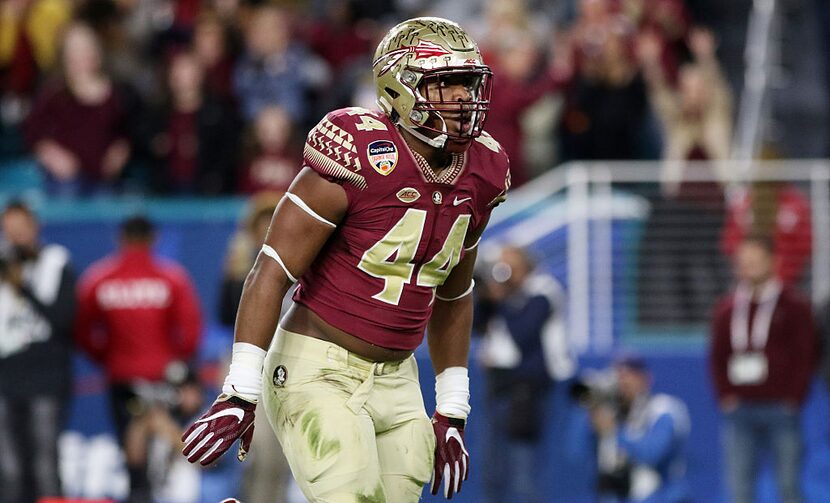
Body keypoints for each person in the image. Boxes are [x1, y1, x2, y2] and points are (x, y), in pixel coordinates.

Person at [182, 17, 511, 503]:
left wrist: (453, 410)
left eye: (467, 84)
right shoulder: (358, 150)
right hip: (317, 367)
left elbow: (455, 293)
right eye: (445, 86)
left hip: (399, 378)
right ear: (401, 89)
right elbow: (269, 272)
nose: (463, 100)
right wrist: (239, 391)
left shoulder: (482, 171)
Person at [75, 216, 203, 503]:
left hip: (122, 378)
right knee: (161, 447)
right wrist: (178, 367)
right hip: (164, 377)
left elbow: (82, 330)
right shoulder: (171, 278)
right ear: (153, 239)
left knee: (134, 445)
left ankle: (140, 492)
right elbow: (191, 333)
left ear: (120, 239)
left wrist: (107, 358)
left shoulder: (99, 279)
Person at [709, 236, 817, 503]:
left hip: (781, 408)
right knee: (739, 489)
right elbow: (717, 356)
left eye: (755, 262)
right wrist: (725, 395)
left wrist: (794, 397)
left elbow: (805, 355)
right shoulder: (727, 308)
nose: (748, 268)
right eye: (743, 263)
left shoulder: (794, 306)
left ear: (773, 262)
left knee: (788, 485)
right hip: (741, 409)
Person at [475, 245, 574, 503]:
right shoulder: (508, 294)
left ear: (526, 264)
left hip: (529, 389)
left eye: (511, 265)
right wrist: (484, 296)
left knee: (523, 472)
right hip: (498, 385)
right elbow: (476, 325)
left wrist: (502, 299)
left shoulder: (544, 290)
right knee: (493, 469)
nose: (506, 273)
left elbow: (524, 334)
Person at [0, 200, 76, 503]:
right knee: (8, 466)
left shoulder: (56, 262)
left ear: (35, 227)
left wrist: (26, 288)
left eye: (22, 229)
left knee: (44, 461)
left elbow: (63, 319)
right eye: (10, 231)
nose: (16, 237)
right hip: (5, 375)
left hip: (45, 375)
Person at [586, 356, 691, 503]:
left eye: (628, 377)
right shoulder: (614, 414)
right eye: (618, 378)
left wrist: (615, 431)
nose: (622, 384)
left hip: (664, 497)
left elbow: (652, 453)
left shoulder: (663, 409)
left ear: (645, 378)